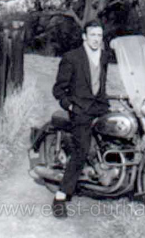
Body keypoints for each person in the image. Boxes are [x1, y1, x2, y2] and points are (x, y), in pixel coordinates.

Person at [52, 19, 109, 218]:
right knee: (81, 150)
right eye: (92, 35)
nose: (96, 39)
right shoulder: (72, 57)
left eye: (99, 35)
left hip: (99, 106)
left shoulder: (104, 56)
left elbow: (100, 84)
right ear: (84, 36)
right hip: (80, 110)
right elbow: (58, 90)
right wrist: (71, 106)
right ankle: (60, 196)